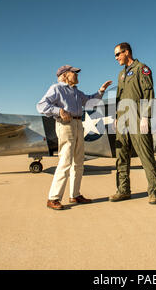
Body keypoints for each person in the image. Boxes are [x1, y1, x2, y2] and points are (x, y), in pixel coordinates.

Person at [37, 65, 112, 210]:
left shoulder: (76, 92)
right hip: (65, 125)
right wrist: (58, 110)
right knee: (65, 162)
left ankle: (75, 195)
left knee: (78, 162)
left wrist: (101, 91)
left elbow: (90, 101)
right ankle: (53, 198)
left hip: (78, 124)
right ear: (65, 75)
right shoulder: (56, 88)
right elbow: (41, 106)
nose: (77, 75)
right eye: (74, 73)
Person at [110, 42, 156, 204]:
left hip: (138, 117)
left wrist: (146, 116)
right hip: (123, 119)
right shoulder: (121, 74)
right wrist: (117, 116)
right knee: (121, 156)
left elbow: (148, 93)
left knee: (146, 154)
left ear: (127, 52)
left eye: (118, 54)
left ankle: (153, 191)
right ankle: (123, 190)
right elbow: (119, 98)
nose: (116, 58)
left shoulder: (142, 69)